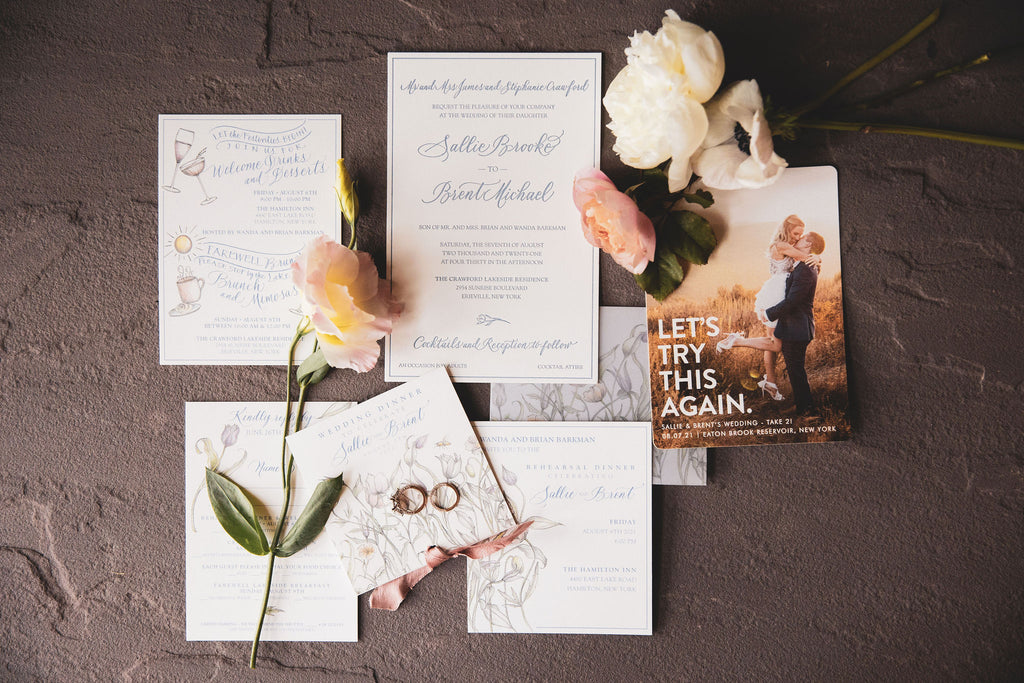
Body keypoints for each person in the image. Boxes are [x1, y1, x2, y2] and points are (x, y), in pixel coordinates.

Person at [716, 215, 819, 400]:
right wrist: (817, 259)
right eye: (796, 233)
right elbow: (805, 258)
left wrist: (814, 259)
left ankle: (770, 382)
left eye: (800, 235)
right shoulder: (782, 246)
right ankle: (736, 341)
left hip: (776, 290)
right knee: (775, 344)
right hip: (778, 293)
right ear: (786, 229)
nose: (797, 237)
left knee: (771, 341)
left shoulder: (783, 246)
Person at [763, 231, 826, 415]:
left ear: (808, 245)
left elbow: (793, 301)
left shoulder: (806, 269)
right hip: (797, 327)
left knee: (796, 370)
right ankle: (802, 405)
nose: (797, 240)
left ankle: (807, 412)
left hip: (797, 328)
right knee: (795, 369)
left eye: (802, 238)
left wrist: (769, 313)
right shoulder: (804, 265)